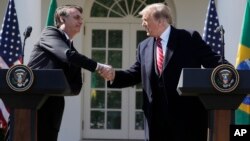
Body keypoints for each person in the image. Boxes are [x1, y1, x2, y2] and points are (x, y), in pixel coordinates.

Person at [99, 3, 229, 141]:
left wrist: (232, 73)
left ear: (161, 21)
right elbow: (135, 73)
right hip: (155, 120)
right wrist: (114, 75)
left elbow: (213, 61)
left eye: (145, 20)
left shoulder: (189, 38)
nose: (142, 24)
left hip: (186, 118)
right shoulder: (144, 46)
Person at [27, 5, 110, 141]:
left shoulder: (72, 50)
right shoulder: (49, 33)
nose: (81, 21)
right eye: (76, 17)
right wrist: (99, 67)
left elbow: (76, 86)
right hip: (33, 104)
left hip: (54, 106)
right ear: (62, 19)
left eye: (81, 18)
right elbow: (68, 55)